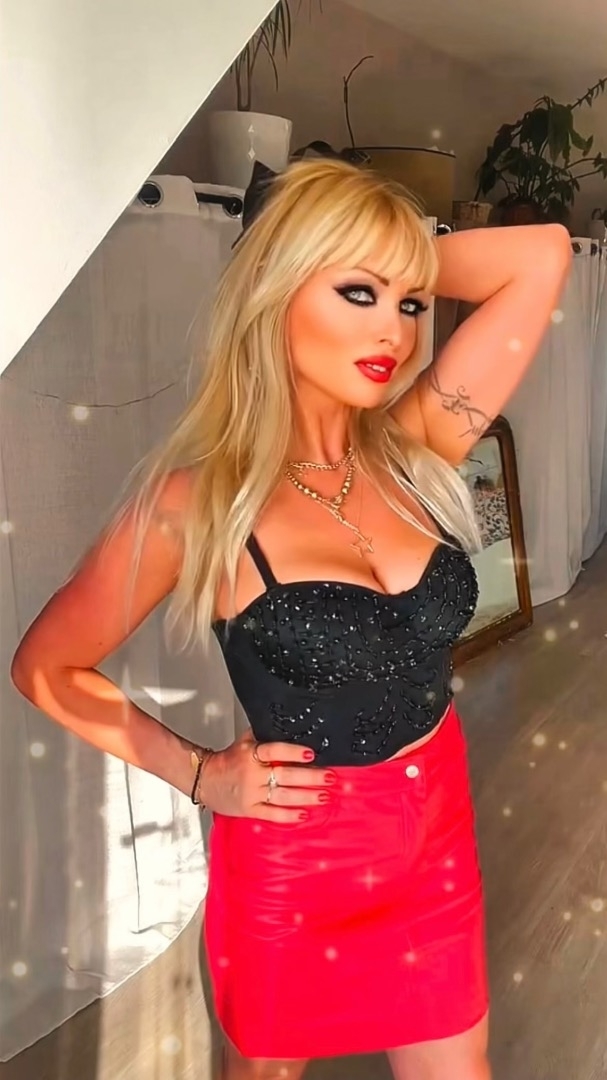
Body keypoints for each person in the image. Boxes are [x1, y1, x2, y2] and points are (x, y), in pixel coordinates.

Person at [11, 159, 571, 1080]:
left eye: (408, 303)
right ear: (276, 288)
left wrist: (379, 257)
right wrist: (199, 773)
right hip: (295, 862)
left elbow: (542, 254)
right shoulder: (196, 505)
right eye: (357, 292)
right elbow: (45, 667)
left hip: (435, 831)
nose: (394, 329)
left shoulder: (417, 444)